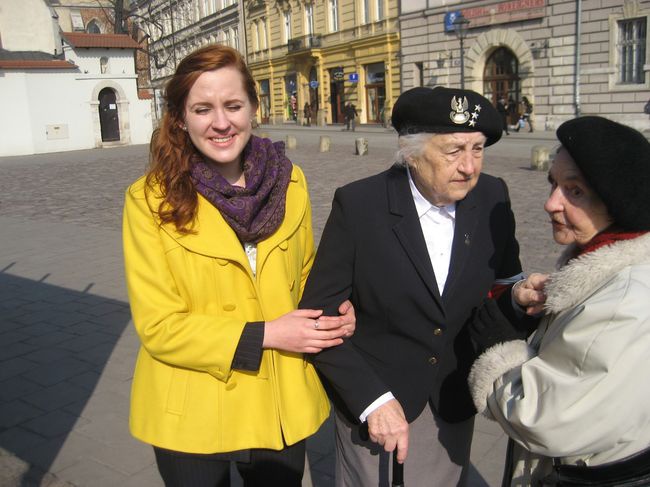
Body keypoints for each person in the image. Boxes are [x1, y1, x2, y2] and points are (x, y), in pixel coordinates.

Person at [122, 44, 355, 487]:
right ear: (180, 118)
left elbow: (306, 274)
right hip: (192, 409)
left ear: (254, 107)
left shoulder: (290, 181)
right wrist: (267, 333)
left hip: (278, 401)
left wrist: (338, 310)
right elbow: (158, 326)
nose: (221, 122)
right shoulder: (149, 200)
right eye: (203, 109)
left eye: (233, 105)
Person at [300, 86, 528, 486]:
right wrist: (372, 400)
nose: (470, 167)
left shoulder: (493, 196)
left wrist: (519, 296)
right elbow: (320, 318)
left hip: (452, 398)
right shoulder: (359, 206)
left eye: (478, 149)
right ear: (412, 152)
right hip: (375, 401)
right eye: (454, 150)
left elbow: (501, 285)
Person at [468, 116, 650, 486]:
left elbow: (542, 417)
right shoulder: (602, 262)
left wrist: (500, 354)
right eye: (553, 183)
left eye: (575, 190)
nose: (551, 203)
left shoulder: (623, 303)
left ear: (618, 202)